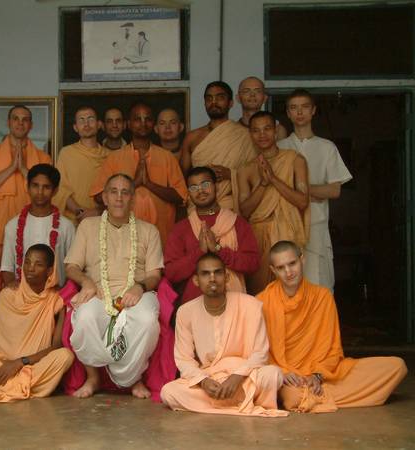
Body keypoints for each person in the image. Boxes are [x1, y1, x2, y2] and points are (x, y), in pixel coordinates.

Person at [258, 241, 407, 413]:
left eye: (292, 263)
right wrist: (281, 372)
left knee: (396, 366)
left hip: (325, 373)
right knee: (293, 397)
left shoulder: (322, 297)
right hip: (290, 380)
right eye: (281, 267)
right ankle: (311, 395)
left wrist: (317, 375)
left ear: (302, 260)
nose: (289, 272)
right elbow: (260, 352)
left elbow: (332, 349)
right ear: (273, 270)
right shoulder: (262, 302)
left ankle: (313, 395)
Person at [65, 173, 163, 399]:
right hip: (98, 293)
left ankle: (133, 378)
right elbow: (71, 266)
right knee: (85, 316)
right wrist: (86, 281)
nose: (119, 198)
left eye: (125, 192)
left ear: (133, 199)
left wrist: (139, 287)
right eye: (113, 192)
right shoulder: (88, 226)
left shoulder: (149, 231)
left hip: (137, 292)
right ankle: (93, 377)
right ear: (104, 198)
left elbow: (155, 274)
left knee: (147, 320)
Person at [160, 253, 286, 417]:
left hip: (244, 378)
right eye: (205, 274)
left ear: (226, 277)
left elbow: (260, 353)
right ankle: (242, 404)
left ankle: (221, 405)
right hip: (211, 380)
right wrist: (204, 382)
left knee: (273, 375)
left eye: (217, 272)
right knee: (168, 392)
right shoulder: (186, 312)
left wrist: (236, 377)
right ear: (196, 280)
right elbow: (184, 359)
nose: (212, 278)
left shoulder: (251, 305)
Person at [0, 244, 74, 402]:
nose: (30, 268)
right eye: (27, 262)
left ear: (50, 271)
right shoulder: (7, 295)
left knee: (64, 356)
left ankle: (1, 387)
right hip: (0, 366)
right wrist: (7, 364)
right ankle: (21, 387)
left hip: (33, 366)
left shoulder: (56, 299)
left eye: (38, 264)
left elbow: (56, 347)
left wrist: (20, 363)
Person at [278, 89, 352, 291]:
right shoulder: (280, 147)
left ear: (313, 111)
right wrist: (314, 192)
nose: (299, 112)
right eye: (294, 108)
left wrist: (299, 192)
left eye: (304, 107)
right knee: (288, 289)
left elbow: (334, 190)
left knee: (319, 287)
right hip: (286, 226)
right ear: (288, 113)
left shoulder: (327, 147)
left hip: (317, 227)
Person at [90, 103, 187, 244]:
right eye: (137, 119)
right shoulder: (114, 158)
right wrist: (134, 183)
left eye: (147, 119)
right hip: (122, 238)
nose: (143, 123)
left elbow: (181, 196)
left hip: (161, 237)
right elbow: (99, 197)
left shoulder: (167, 157)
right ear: (129, 124)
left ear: (153, 124)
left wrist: (149, 184)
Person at [239, 111, 310, 295]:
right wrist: (263, 184)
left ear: (276, 131)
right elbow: (244, 211)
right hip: (258, 235)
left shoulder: (294, 160)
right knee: (260, 294)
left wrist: (273, 179)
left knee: (291, 292)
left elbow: (302, 201)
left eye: (267, 129)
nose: (262, 134)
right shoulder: (245, 169)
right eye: (256, 130)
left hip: (287, 232)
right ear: (250, 134)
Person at [164, 166, 259, 302]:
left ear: (216, 187)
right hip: (194, 304)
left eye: (205, 184)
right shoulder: (181, 229)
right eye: (193, 187)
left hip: (234, 301)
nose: (200, 191)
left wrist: (219, 250)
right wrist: (200, 252)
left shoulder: (237, 223)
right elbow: (171, 273)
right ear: (188, 193)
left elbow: (253, 264)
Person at [0, 105, 52, 261]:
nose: (20, 123)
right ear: (8, 123)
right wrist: (10, 169)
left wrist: (23, 169)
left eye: (25, 120)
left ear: (31, 125)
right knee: (0, 280)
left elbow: (46, 191)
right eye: (15, 118)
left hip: (34, 227)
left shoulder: (43, 158)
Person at [180, 81, 256, 212]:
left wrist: (231, 174)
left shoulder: (245, 136)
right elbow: (182, 178)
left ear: (231, 103)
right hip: (198, 207)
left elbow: (255, 176)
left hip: (230, 206)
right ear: (204, 103)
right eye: (209, 98)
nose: (214, 102)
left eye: (220, 97)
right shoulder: (192, 137)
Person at [1, 164, 75, 287]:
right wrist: (15, 294)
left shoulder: (67, 226)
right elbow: (7, 268)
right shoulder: (12, 225)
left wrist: (63, 297)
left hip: (55, 298)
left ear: (55, 190)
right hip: (22, 297)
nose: (40, 192)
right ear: (28, 187)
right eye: (35, 186)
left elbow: (73, 268)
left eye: (46, 187)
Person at [54, 106, 109, 224]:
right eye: (81, 120)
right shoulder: (66, 153)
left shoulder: (109, 156)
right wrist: (80, 211)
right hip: (73, 219)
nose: (86, 124)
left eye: (90, 119)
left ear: (99, 124)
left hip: (102, 219)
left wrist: (97, 211)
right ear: (75, 127)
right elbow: (61, 189)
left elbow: (114, 191)